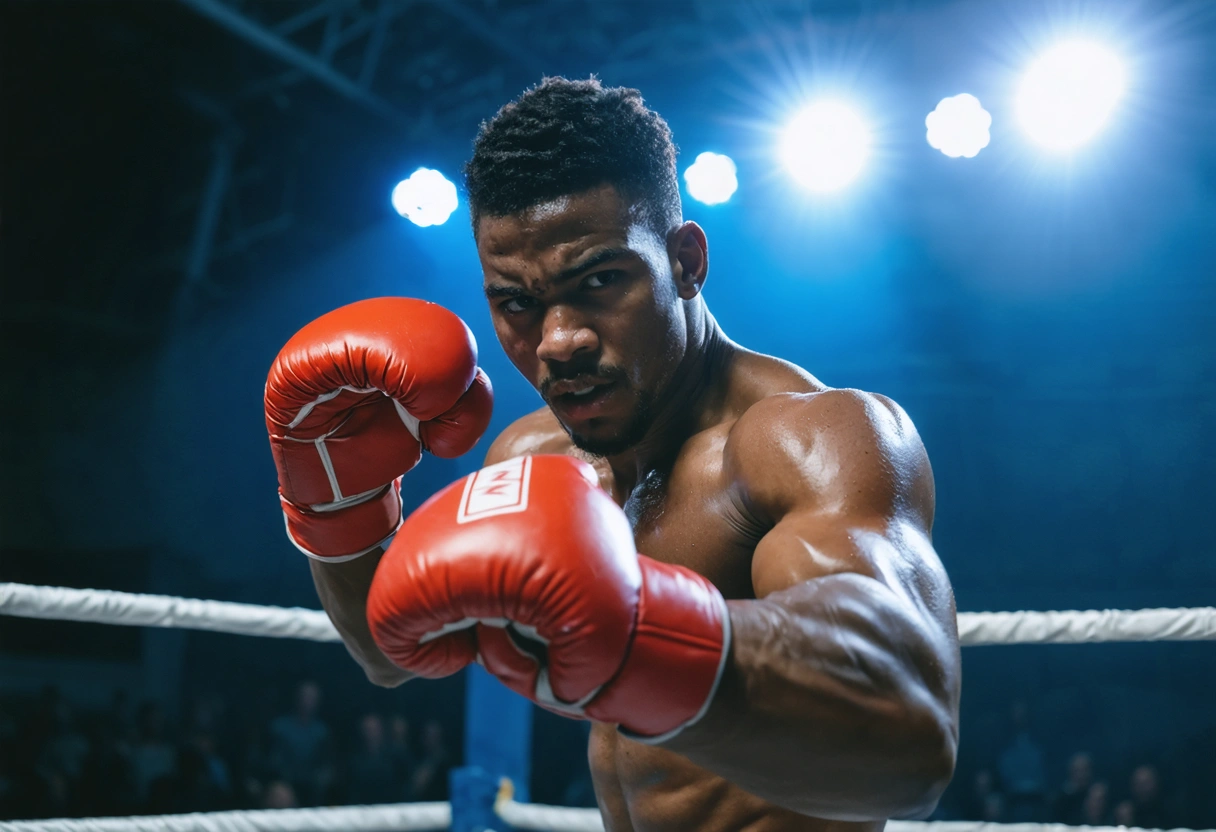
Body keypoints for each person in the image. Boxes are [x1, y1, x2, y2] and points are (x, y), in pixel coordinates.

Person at [265, 77, 960, 830]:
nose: (559, 340)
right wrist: (337, 497)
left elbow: (911, 738)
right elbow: (387, 650)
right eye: (518, 303)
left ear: (686, 261)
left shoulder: (806, 439)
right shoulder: (536, 459)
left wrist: (641, 636)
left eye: (599, 281)